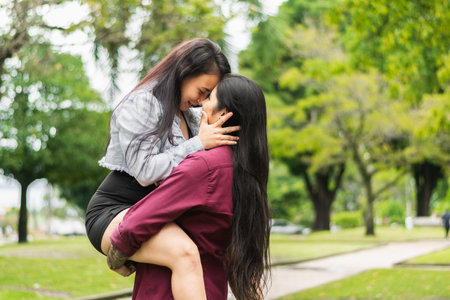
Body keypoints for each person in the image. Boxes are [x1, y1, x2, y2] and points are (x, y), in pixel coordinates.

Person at [85, 38, 240, 300]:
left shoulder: (188, 116)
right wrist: (198, 144)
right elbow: (145, 172)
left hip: (155, 211)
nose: (202, 101)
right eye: (202, 91)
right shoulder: (143, 103)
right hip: (116, 210)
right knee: (185, 254)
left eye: (208, 96)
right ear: (184, 72)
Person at [107, 74, 271, 300]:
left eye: (210, 98)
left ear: (223, 114)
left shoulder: (204, 167)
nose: (202, 104)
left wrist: (116, 257)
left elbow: (140, 220)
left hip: (166, 291)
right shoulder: (249, 175)